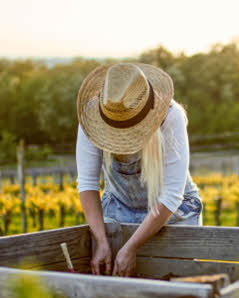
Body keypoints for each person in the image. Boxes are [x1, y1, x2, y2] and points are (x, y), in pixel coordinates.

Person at [76, 62, 202, 277]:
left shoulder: (171, 117)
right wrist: (101, 241)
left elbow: (171, 195)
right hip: (118, 207)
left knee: (179, 292)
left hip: (174, 213)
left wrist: (131, 247)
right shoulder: (92, 117)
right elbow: (87, 183)